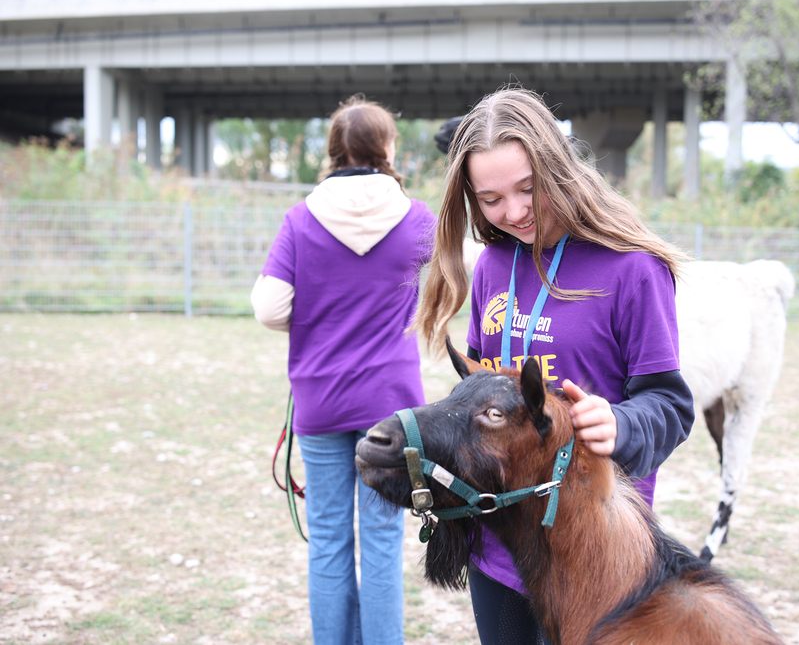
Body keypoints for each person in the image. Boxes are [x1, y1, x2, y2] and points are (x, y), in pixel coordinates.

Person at [412, 87, 696, 645]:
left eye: (528, 189)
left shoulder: (634, 269)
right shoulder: (493, 264)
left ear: (558, 168)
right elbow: (482, 390)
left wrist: (620, 423)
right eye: (491, 199)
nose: (514, 212)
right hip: (499, 541)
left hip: (588, 551)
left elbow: (670, 404)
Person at [251, 94, 435, 645]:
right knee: (381, 540)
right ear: (387, 149)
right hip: (391, 404)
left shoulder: (301, 220)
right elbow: (462, 271)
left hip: (321, 398)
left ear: (333, 150)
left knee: (329, 539)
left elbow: (269, 308)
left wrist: (317, 319)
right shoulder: (417, 219)